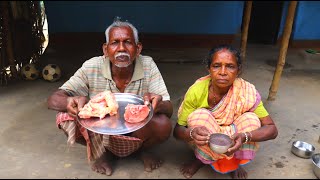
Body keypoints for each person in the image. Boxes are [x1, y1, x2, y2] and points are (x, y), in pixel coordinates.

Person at [47, 17, 173, 176]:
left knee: (163, 124)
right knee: (65, 116)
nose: (121, 48)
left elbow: (168, 108)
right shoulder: (91, 66)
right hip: (101, 130)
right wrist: (68, 102)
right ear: (105, 50)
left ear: (138, 48)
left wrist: (158, 103)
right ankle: (103, 153)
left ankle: (142, 150)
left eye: (128, 42)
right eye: (115, 43)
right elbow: (53, 99)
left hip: (137, 129)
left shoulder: (147, 64)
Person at [173, 45, 278, 179]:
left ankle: (234, 163)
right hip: (207, 136)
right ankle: (201, 159)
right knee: (198, 117)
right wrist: (192, 133)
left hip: (235, 136)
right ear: (208, 69)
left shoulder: (246, 92)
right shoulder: (196, 91)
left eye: (230, 66)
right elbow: (177, 130)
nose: (223, 72)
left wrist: (245, 137)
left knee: (251, 119)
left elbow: (272, 129)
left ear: (238, 70)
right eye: (216, 66)